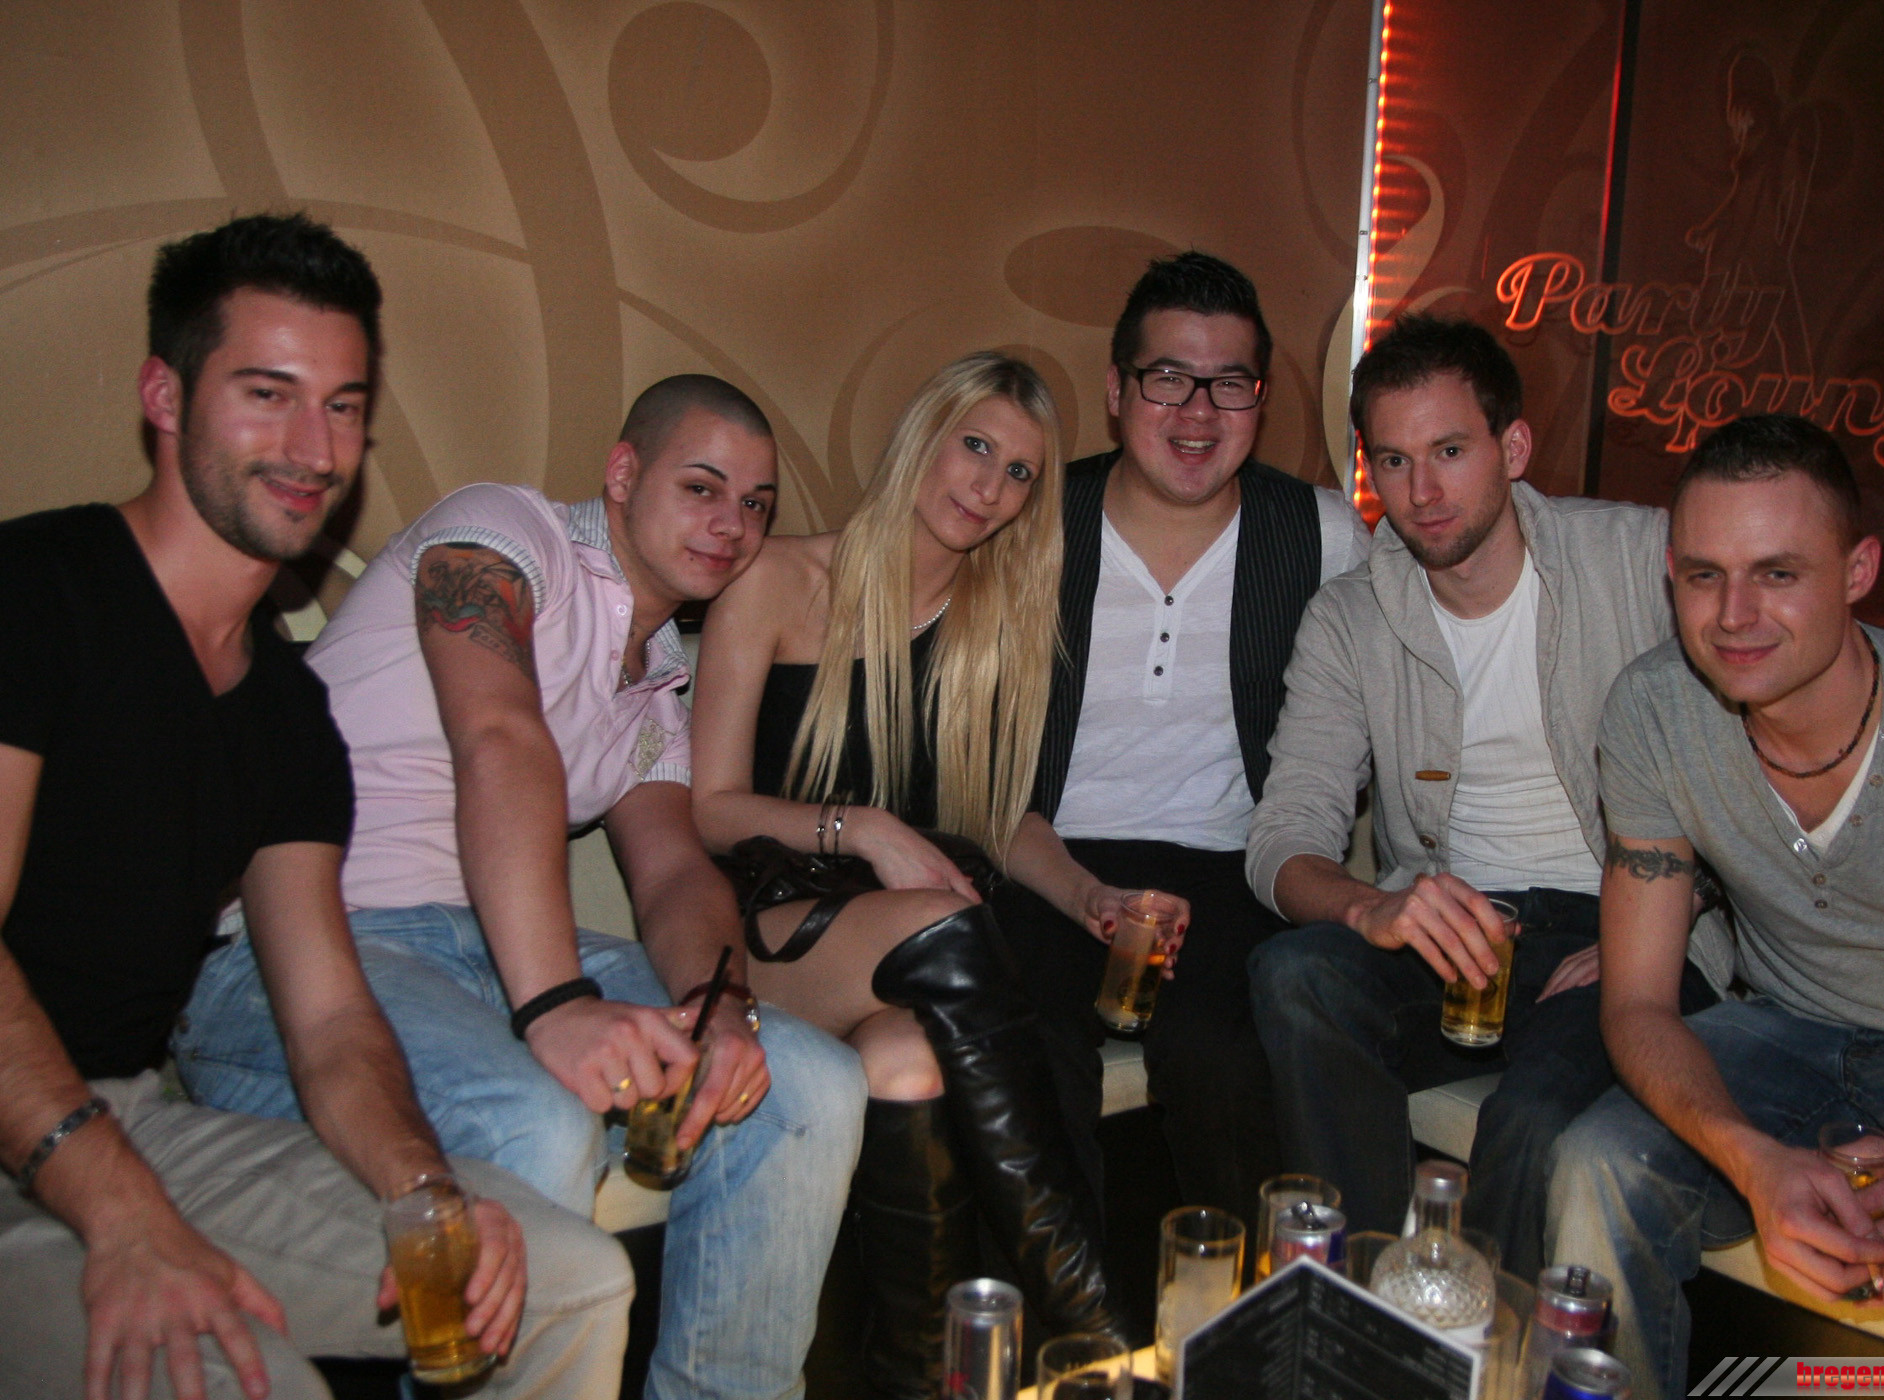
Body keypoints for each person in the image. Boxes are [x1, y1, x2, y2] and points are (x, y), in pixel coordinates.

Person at [0, 213, 630, 1400]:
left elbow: (332, 1021)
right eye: (268, 394)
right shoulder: (35, 594)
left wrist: (425, 1189)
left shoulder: (287, 710)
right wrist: (125, 1215)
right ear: (164, 395)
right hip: (44, 1141)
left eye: (342, 405)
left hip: (126, 1119)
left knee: (569, 1278)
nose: (312, 446)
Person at [175, 370, 867, 1400]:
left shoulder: (657, 680)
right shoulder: (501, 536)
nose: (733, 525)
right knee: (531, 1120)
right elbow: (498, 734)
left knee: (808, 1083)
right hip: (298, 954)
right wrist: (555, 1005)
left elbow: (675, 869)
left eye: (757, 504)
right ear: (623, 473)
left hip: (481, 956)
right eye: (702, 487)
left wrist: (720, 1007)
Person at [1546, 414, 1884, 1396]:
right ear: (1671, 575)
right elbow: (1637, 1003)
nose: (1734, 614)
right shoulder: (1653, 711)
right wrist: (1753, 1161)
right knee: (1595, 1162)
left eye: (1778, 573)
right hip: (1783, 1029)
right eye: (1705, 574)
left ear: (1858, 571)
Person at [1242, 315, 1731, 1278]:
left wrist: (1658, 928)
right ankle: (1367, 1299)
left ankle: (1487, 1344)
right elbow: (1282, 838)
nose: (1422, 492)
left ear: (1513, 448)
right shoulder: (1351, 617)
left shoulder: (1639, 561)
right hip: (1462, 927)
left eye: (1451, 451)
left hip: (1628, 924)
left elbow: (1758, 762)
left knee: (1538, 1118)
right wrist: (1370, 907)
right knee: (1292, 974)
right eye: (1394, 460)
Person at [690, 352, 1140, 1398]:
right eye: (974, 445)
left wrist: (1087, 895)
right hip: (775, 934)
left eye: (1020, 473)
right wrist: (864, 830)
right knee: (944, 924)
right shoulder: (778, 580)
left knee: (906, 1064)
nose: (989, 486)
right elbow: (708, 807)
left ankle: (923, 1379)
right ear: (921, 439)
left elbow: (999, 820)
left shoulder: (997, 620)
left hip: (908, 957)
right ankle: (1100, 1328)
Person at [990, 251, 1370, 1224]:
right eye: (1168, 378)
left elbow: (1405, 695)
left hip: (1233, 867)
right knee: (1023, 1046)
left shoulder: (1324, 533)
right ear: (1117, 392)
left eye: (1229, 383)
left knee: (1228, 1057)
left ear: (1261, 398)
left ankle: (1240, 1303)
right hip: (1051, 855)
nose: (1198, 412)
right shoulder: (1031, 520)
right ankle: (1056, 1301)